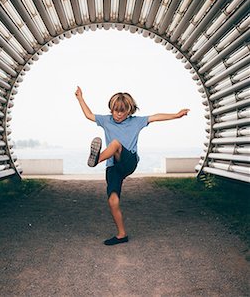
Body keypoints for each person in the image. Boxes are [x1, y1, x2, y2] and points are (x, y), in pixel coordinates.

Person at [75, 86, 189, 246]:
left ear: (129, 111)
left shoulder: (136, 122)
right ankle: (122, 234)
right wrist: (80, 97)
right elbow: (88, 115)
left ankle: (96, 159)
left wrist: (176, 115)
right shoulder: (106, 120)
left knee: (115, 144)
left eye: (122, 111)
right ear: (111, 109)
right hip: (113, 167)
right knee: (113, 201)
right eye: (115, 110)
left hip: (129, 161)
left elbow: (155, 117)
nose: (119, 114)